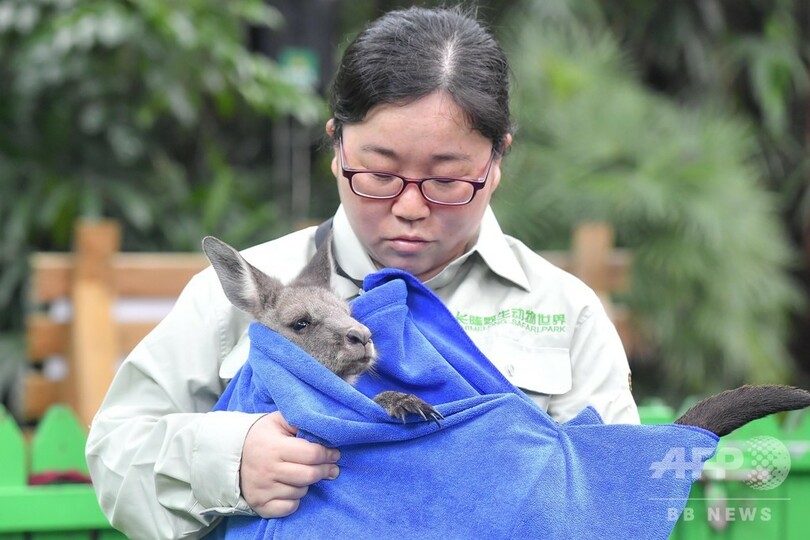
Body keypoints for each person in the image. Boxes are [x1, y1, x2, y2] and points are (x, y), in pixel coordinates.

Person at [86, 5, 638, 538]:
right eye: (377, 172)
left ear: (495, 162)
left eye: (446, 179)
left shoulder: (562, 310)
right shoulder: (248, 292)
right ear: (336, 146)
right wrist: (231, 461)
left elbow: (614, 491)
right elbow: (116, 452)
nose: (410, 207)